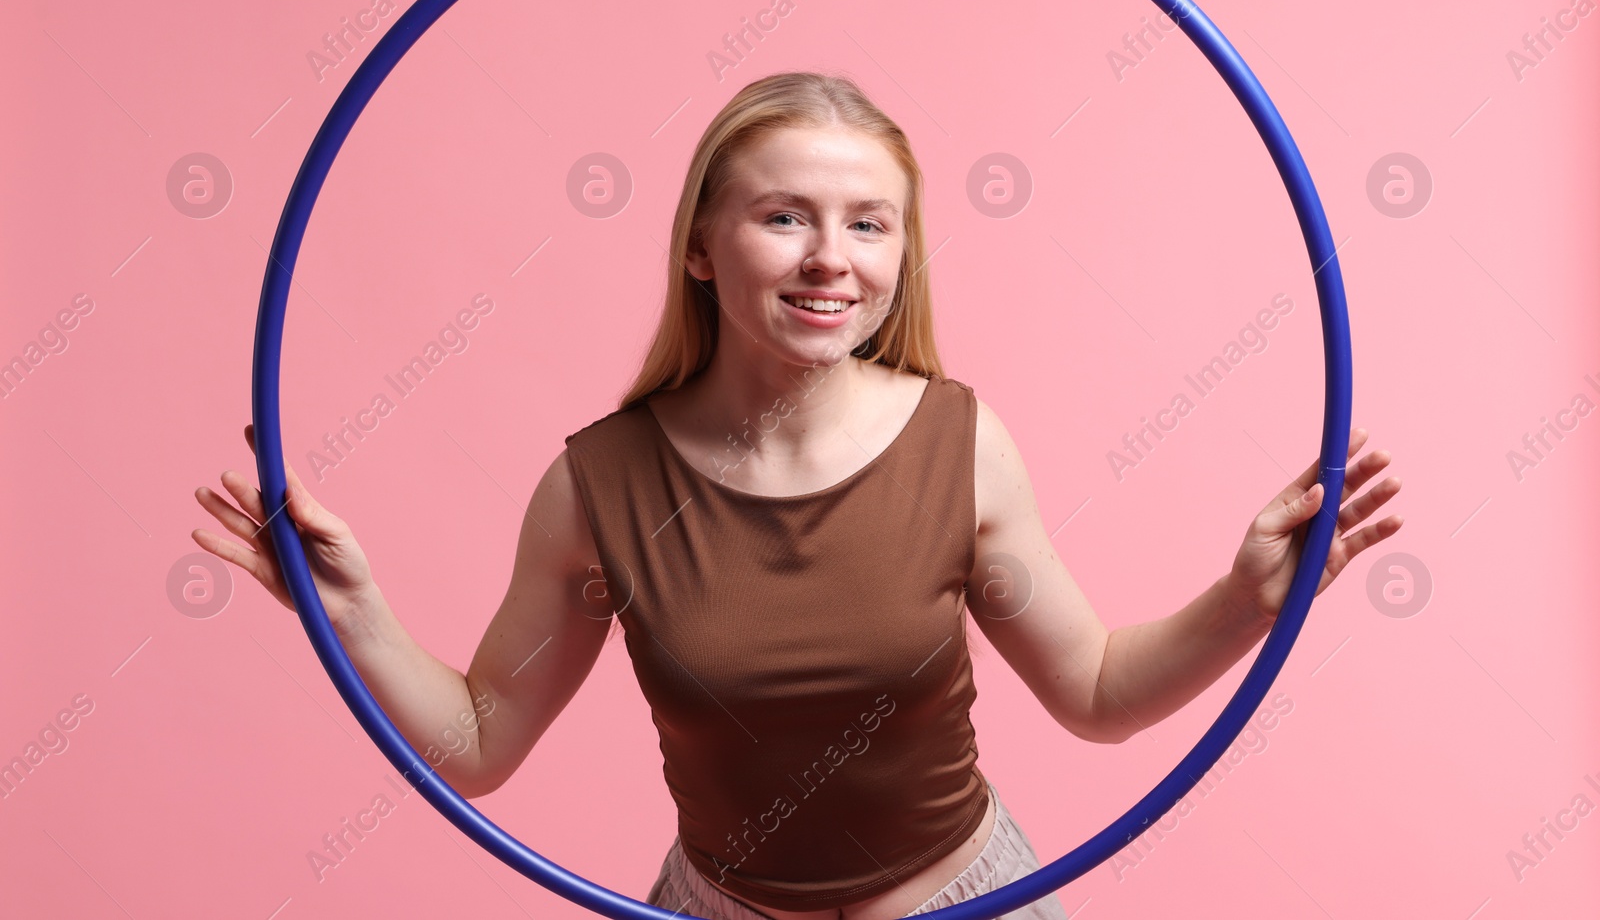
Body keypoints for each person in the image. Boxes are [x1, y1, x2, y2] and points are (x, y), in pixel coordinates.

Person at [192, 71, 1404, 920]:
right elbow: (475, 745)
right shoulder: (598, 483)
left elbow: (1094, 692)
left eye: (869, 223)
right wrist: (345, 608)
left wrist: (1248, 598)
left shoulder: (960, 442)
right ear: (702, 246)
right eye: (786, 215)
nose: (834, 255)